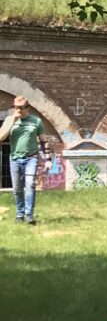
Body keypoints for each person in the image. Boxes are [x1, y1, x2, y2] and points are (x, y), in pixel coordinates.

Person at [0, 96, 51, 225]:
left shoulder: (36, 121)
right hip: (15, 158)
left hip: (31, 158)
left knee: (30, 185)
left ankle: (29, 215)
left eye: (21, 108)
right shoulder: (9, 120)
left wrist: (48, 159)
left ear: (27, 108)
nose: (18, 110)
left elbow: (44, 140)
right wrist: (13, 121)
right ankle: (19, 214)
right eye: (15, 107)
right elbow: (1, 137)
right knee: (17, 188)